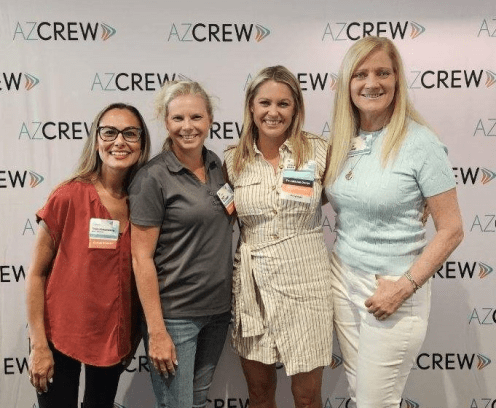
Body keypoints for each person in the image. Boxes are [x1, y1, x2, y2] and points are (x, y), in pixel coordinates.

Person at [324, 36, 464, 407]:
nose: (372, 83)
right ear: (347, 84)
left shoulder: (421, 142)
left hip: (392, 288)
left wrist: (404, 287)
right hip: (343, 279)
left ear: (397, 79)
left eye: (383, 73)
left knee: (376, 403)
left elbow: (451, 230)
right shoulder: (343, 138)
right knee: (361, 395)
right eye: (361, 74)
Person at [25, 103, 151, 408]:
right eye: (109, 132)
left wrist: (132, 338)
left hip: (112, 340)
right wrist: (39, 345)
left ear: (142, 143)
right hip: (60, 337)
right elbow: (37, 273)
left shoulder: (145, 202)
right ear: (96, 140)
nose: (119, 141)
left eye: (130, 133)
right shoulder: (68, 195)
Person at [224, 65, 333, 408]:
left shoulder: (319, 151)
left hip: (307, 283)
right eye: (265, 103)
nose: (273, 112)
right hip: (252, 285)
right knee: (259, 392)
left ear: (296, 108)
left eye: (283, 104)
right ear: (251, 107)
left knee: (307, 396)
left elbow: (350, 196)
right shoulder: (232, 160)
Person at [129, 81, 233, 408]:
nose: (187, 127)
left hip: (217, 312)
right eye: (178, 119)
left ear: (210, 119)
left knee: (198, 401)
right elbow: (140, 257)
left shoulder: (217, 164)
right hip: (175, 317)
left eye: (196, 117)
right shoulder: (153, 178)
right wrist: (157, 330)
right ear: (166, 122)